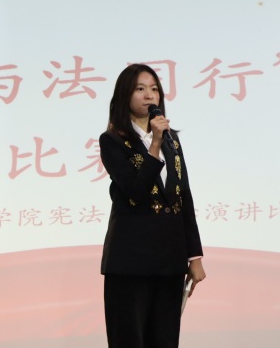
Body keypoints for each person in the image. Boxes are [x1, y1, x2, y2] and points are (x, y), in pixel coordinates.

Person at [100, 63, 206, 348]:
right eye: (140, 89)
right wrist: (155, 144)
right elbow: (136, 191)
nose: (149, 95)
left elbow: (183, 195)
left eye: (154, 89)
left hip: (169, 260)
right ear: (125, 95)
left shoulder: (172, 140)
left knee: (164, 340)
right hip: (130, 261)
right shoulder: (113, 141)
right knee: (129, 340)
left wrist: (194, 256)